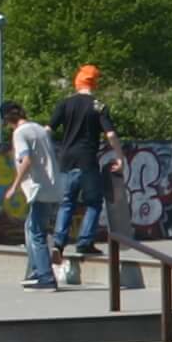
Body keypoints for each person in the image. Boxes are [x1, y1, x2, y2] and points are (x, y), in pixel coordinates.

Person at [49, 64, 123, 282]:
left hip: (66, 160)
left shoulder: (65, 103)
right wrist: (119, 156)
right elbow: (110, 133)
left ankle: (59, 244)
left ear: (77, 81)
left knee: (67, 203)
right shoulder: (98, 106)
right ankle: (84, 241)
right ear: (95, 82)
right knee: (93, 202)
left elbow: (47, 130)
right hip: (87, 160)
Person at [5, 100, 62, 291]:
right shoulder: (39, 128)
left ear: (7, 120)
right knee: (30, 228)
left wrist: (14, 186)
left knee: (36, 233)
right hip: (53, 186)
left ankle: (46, 277)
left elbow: (26, 160)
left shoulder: (19, 133)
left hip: (39, 189)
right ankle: (37, 271)